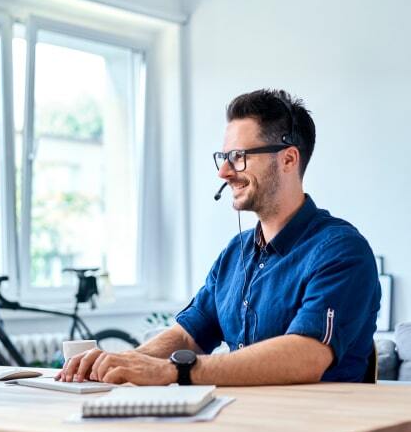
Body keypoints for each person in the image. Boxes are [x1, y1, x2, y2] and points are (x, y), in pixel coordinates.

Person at [56, 89, 381, 386]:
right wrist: (122, 364)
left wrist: (176, 371)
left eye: (238, 157)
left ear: (288, 159)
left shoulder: (341, 251)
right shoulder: (234, 254)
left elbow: (306, 356)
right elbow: (188, 336)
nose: (223, 172)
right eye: (223, 157)